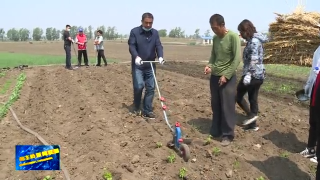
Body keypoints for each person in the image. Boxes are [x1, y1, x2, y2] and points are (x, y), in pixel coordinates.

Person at [204, 14, 241, 146]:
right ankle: (216, 130)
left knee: (227, 106)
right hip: (215, 76)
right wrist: (209, 66)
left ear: (222, 25)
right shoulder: (215, 38)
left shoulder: (233, 37)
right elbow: (213, 56)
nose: (214, 31)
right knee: (216, 104)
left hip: (228, 78)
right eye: (212, 28)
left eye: (215, 28)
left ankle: (228, 135)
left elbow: (237, 58)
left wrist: (226, 75)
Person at [128, 12, 164, 119]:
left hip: (150, 65)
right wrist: (136, 57)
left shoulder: (155, 33)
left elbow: (158, 45)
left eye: (150, 23)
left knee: (151, 88)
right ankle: (137, 105)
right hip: (138, 65)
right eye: (146, 22)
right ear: (142, 22)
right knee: (139, 86)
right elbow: (132, 46)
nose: (148, 25)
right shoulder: (134, 32)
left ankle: (147, 110)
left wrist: (161, 56)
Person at [236, 19, 269, 131]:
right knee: (252, 98)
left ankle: (251, 115)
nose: (241, 35)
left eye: (241, 32)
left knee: (237, 95)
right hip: (259, 75)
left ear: (246, 31)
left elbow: (254, 59)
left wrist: (248, 74)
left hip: (253, 75)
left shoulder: (254, 41)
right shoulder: (254, 40)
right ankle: (253, 125)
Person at [299, 23, 320, 164]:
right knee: (313, 120)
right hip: (316, 89)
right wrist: (308, 87)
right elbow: (314, 70)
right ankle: (311, 148)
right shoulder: (318, 50)